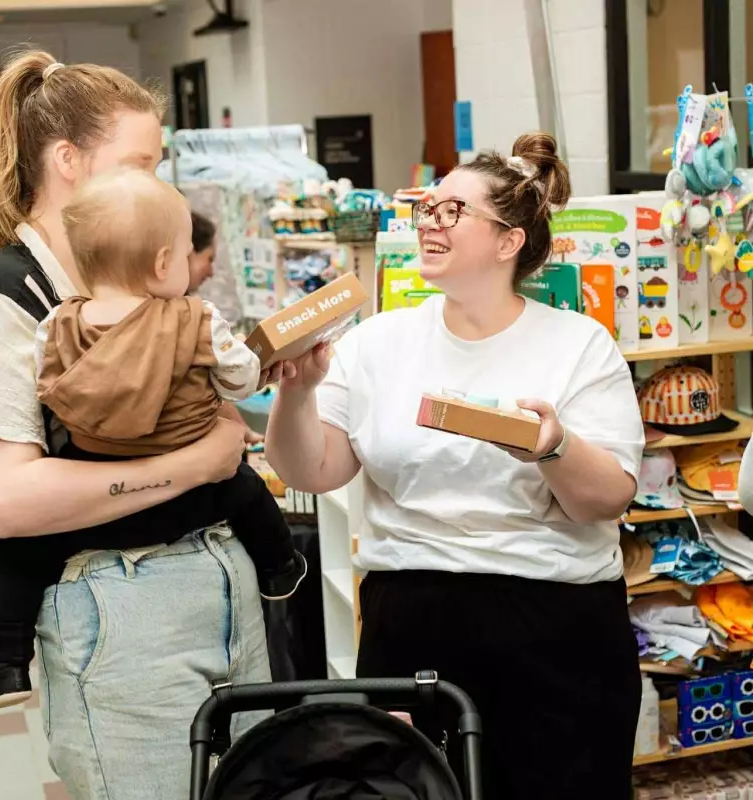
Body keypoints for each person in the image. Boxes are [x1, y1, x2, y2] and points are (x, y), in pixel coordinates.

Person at [265, 133, 646, 799]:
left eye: (452, 211)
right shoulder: (377, 342)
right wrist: (297, 392)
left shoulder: (578, 345)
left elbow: (606, 498)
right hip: (410, 621)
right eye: (427, 208)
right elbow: (313, 471)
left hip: (554, 621)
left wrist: (552, 448)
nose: (429, 223)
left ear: (508, 242)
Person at [0, 51, 271, 799]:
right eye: (140, 164)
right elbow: (9, 501)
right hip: (117, 604)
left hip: (221, 578)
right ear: (67, 161)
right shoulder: (6, 296)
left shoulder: (149, 282)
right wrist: (195, 465)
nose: (158, 186)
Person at [0, 168, 306, 712]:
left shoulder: (57, 323)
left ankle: (2, 666)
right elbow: (239, 378)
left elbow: (44, 383)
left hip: (96, 488)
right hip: (190, 491)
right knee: (246, 489)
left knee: (20, 557)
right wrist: (254, 369)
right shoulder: (195, 319)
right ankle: (280, 569)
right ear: (162, 264)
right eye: (185, 255)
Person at [188, 208, 264, 444]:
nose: (211, 272)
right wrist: (239, 351)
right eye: (209, 259)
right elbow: (237, 376)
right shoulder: (196, 319)